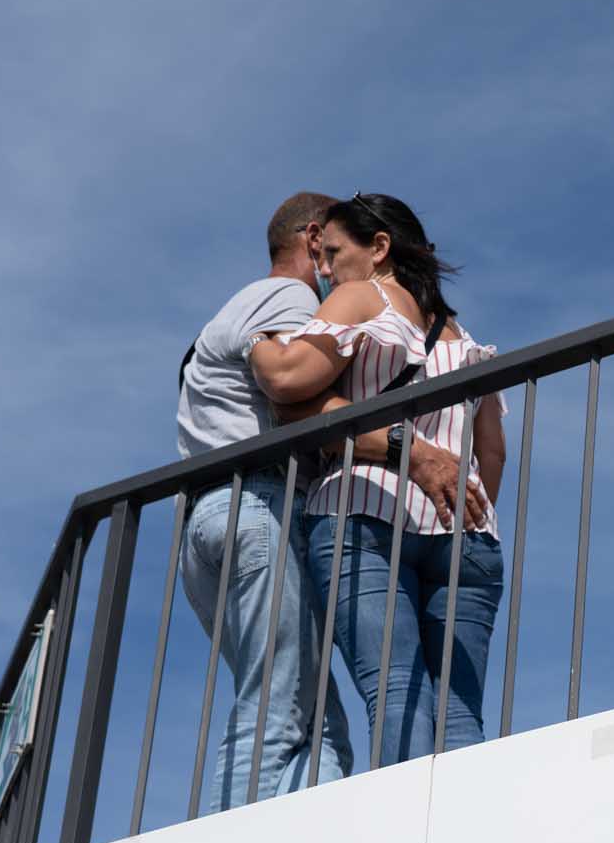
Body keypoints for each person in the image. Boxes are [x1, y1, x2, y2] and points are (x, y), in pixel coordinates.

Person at [249, 193, 507, 768]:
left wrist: (259, 345)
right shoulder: (466, 343)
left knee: (396, 690)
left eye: (335, 252)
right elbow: (492, 453)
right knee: (460, 710)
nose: (324, 268)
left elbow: (292, 381)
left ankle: (400, 840)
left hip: (363, 511)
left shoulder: (364, 297)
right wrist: (462, 508)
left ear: (379, 248)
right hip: (468, 532)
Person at [176, 192, 358, 810]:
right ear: (312, 239)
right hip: (258, 506)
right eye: (332, 245)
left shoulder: (231, 310)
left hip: (212, 520)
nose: (336, 263)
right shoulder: (291, 296)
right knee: (277, 712)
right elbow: (285, 388)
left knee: (317, 721)